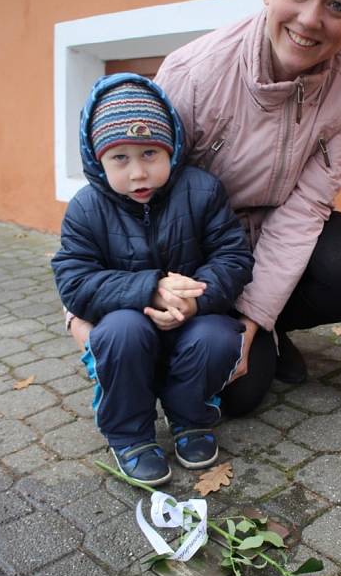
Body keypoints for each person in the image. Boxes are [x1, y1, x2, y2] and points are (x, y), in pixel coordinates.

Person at [70, 0, 341, 418]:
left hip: (268, 232)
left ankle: (270, 328)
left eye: (337, 5)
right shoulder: (194, 72)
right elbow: (128, 193)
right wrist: (89, 308)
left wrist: (252, 320)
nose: (309, 20)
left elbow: (308, 205)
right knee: (238, 396)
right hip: (195, 246)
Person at [52, 74, 254, 485]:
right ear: (96, 160)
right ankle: (129, 433)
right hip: (128, 319)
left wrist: (194, 300)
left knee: (217, 336)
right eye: (120, 159)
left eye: (149, 153)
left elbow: (233, 256)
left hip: (193, 317)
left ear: (172, 147)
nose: (139, 173)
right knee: (120, 333)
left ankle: (190, 418)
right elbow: (74, 279)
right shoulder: (86, 208)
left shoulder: (202, 190)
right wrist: (149, 289)